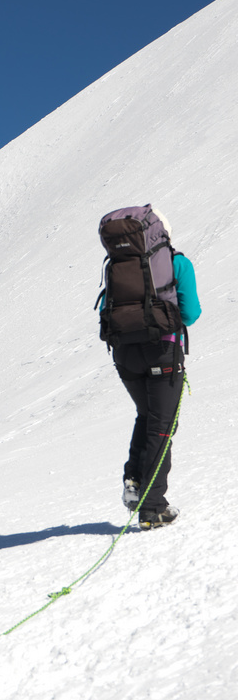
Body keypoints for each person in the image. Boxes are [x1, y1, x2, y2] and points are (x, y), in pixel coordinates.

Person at [102, 207, 201, 529]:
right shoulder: (176, 262)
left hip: (125, 356)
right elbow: (191, 313)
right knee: (162, 427)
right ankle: (153, 508)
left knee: (146, 416)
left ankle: (134, 479)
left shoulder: (115, 267)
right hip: (163, 351)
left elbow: (107, 309)